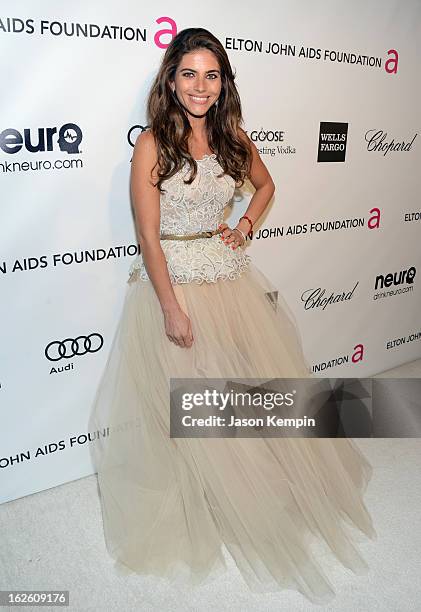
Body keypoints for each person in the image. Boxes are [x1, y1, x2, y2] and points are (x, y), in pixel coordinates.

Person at [89, 27, 377, 604]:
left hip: (226, 276)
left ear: (223, 85)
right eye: (189, 74)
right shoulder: (153, 143)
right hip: (174, 285)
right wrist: (170, 306)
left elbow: (266, 186)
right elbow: (148, 236)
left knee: (241, 388)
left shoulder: (231, 135)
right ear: (171, 79)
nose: (200, 86)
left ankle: (247, 487)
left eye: (211, 75)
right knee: (189, 400)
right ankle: (205, 496)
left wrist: (245, 225)